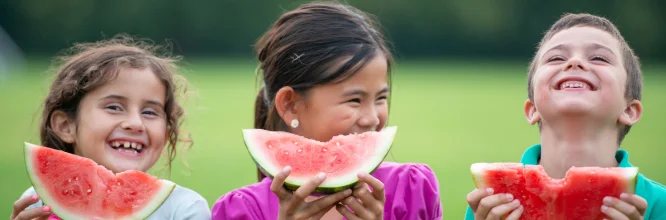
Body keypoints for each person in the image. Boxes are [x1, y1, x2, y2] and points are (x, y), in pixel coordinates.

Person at [210, 2, 442, 219]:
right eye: (354, 100)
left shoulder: (412, 190)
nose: (373, 118)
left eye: (381, 98)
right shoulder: (241, 211)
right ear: (290, 105)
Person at [464, 13, 666, 220]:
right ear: (532, 109)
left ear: (629, 110)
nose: (575, 62)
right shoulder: (492, 204)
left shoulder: (660, 204)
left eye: (599, 58)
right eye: (556, 58)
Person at [9, 35, 211, 220]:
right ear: (66, 125)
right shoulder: (38, 201)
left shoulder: (184, 209)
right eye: (114, 107)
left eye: (150, 112)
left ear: (166, 133)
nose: (135, 123)